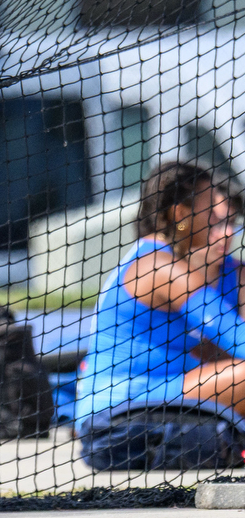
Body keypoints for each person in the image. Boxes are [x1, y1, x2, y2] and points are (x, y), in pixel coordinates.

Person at [74, 160, 245, 427]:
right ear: (180, 215)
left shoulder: (164, 260)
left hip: (154, 402)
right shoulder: (160, 268)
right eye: (210, 210)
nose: (219, 224)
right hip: (118, 418)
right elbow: (235, 335)